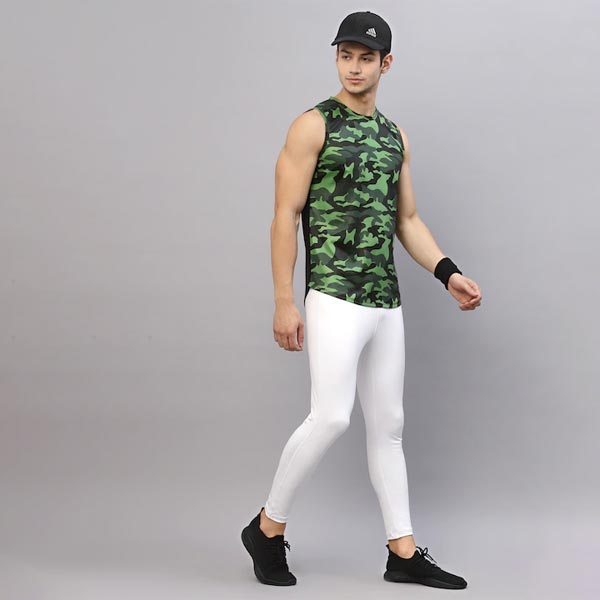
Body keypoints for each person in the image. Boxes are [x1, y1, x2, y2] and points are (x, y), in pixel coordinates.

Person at [241, 10, 481, 589]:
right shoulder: (312, 125)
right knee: (330, 416)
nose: (353, 67)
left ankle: (402, 552)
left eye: (365, 58)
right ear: (336, 58)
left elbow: (408, 220)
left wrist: (446, 272)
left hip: (385, 302)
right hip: (333, 294)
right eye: (345, 55)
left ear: (385, 63)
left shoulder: (395, 135)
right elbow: (284, 215)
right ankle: (267, 529)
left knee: (389, 426)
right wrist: (283, 299)